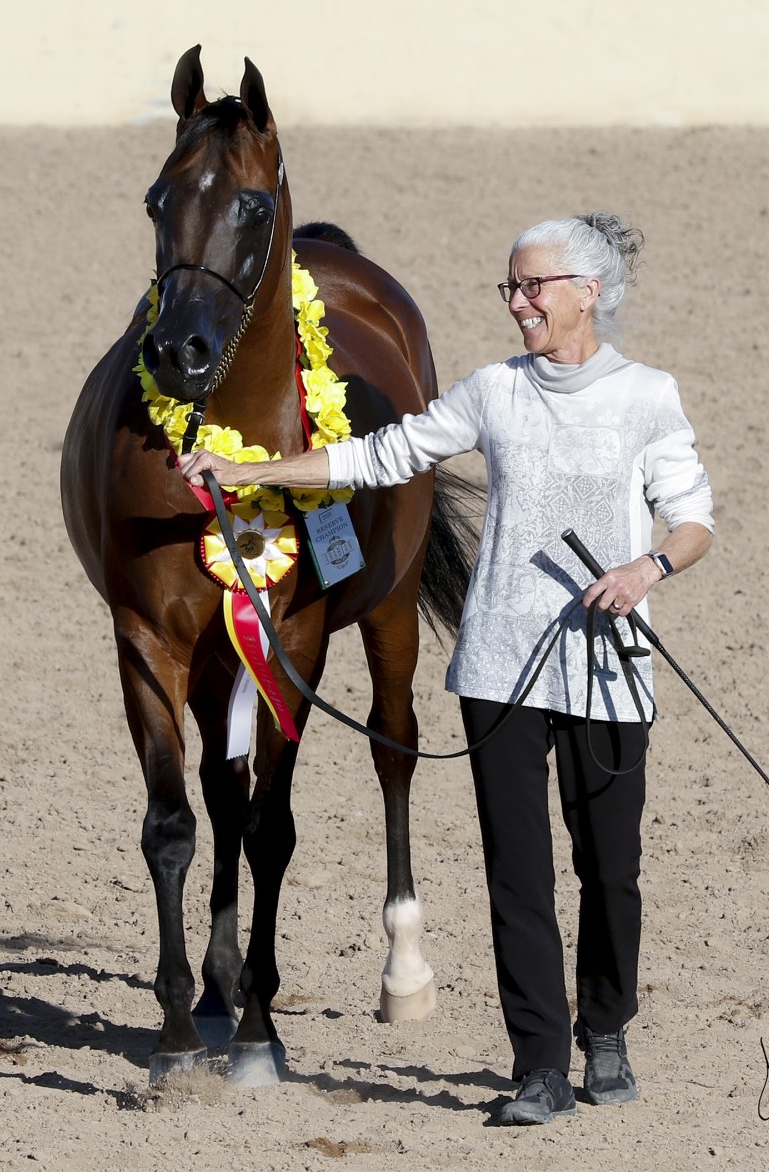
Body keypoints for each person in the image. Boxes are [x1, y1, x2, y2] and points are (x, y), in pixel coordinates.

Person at [179, 213, 714, 1125]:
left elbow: (694, 519)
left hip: (607, 666)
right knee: (517, 872)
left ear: (588, 291)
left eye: (534, 286)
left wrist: (646, 568)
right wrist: (248, 469)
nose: (518, 303)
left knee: (610, 867)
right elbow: (380, 455)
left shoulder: (646, 396)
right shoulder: (493, 392)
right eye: (511, 287)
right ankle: (539, 1065)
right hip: (501, 665)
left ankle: (606, 1027)